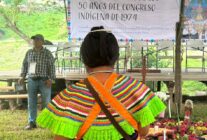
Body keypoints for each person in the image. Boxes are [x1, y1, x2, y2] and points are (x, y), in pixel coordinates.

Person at [36, 26, 166, 140]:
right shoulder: (134, 88)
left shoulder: (70, 96)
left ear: (85, 58)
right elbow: (144, 131)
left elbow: (60, 139)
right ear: (115, 56)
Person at [19, 34, 56, 130]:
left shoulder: (47, 53)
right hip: (32, 80)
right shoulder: (29, 52)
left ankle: (46, 122)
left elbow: (52, 67)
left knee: (46, 102)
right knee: (31, 102)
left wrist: (51, 79)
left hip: (45, 81)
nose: (35, 41)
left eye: (37, 40)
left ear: (42, 42)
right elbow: (24, 65)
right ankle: (32, 122)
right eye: (34, 40)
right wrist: (22, 76)